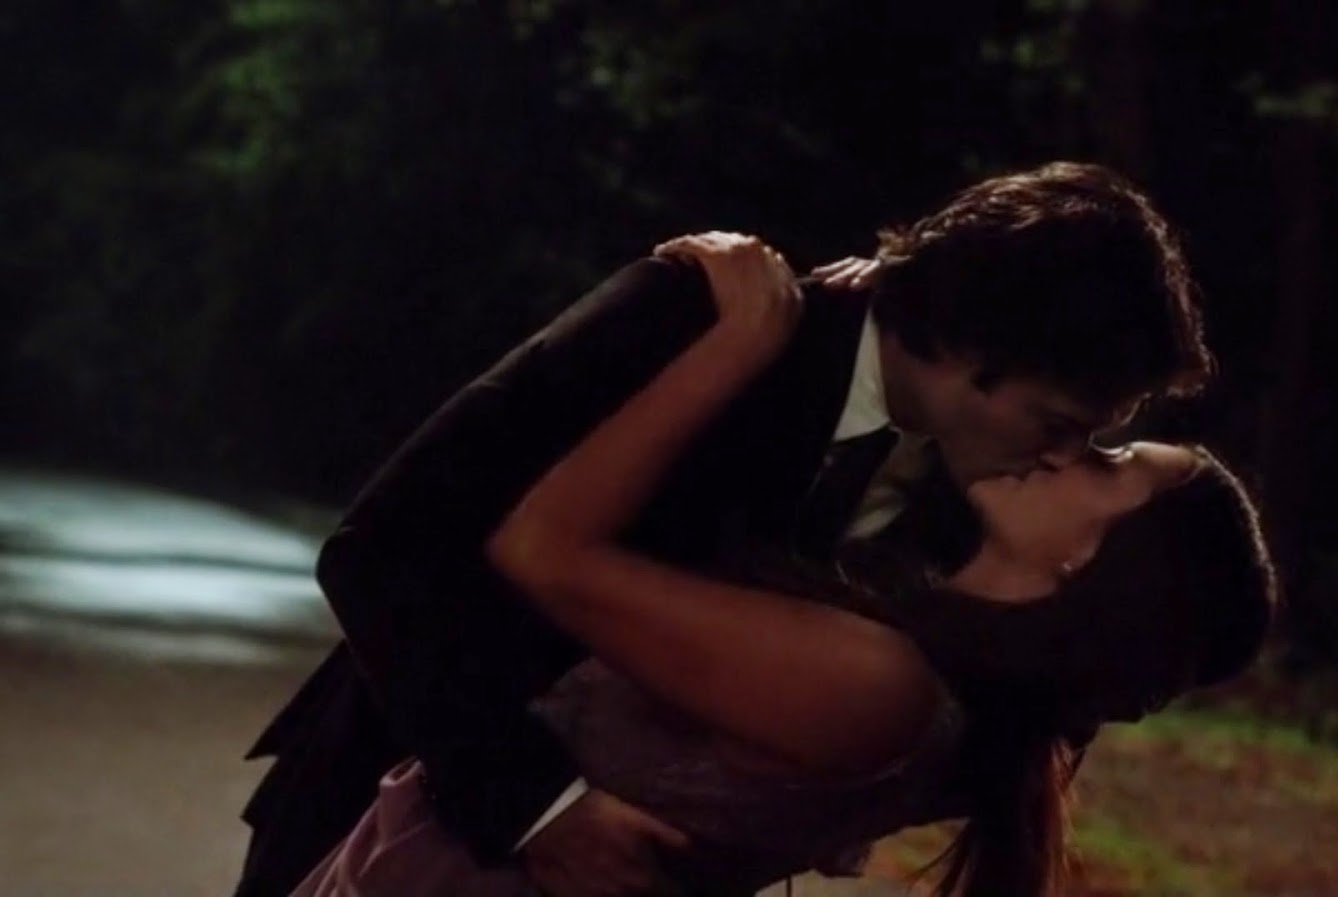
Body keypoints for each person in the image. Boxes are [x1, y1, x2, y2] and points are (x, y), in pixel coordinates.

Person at [234, 161, 1214, 897]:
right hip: (398, 809)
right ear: (976, 344)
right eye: (1056, 423)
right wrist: (533, 805)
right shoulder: (701, 318)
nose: (1058, 457)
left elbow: (1056, 678)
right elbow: (385, 549)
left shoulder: (974, 502)